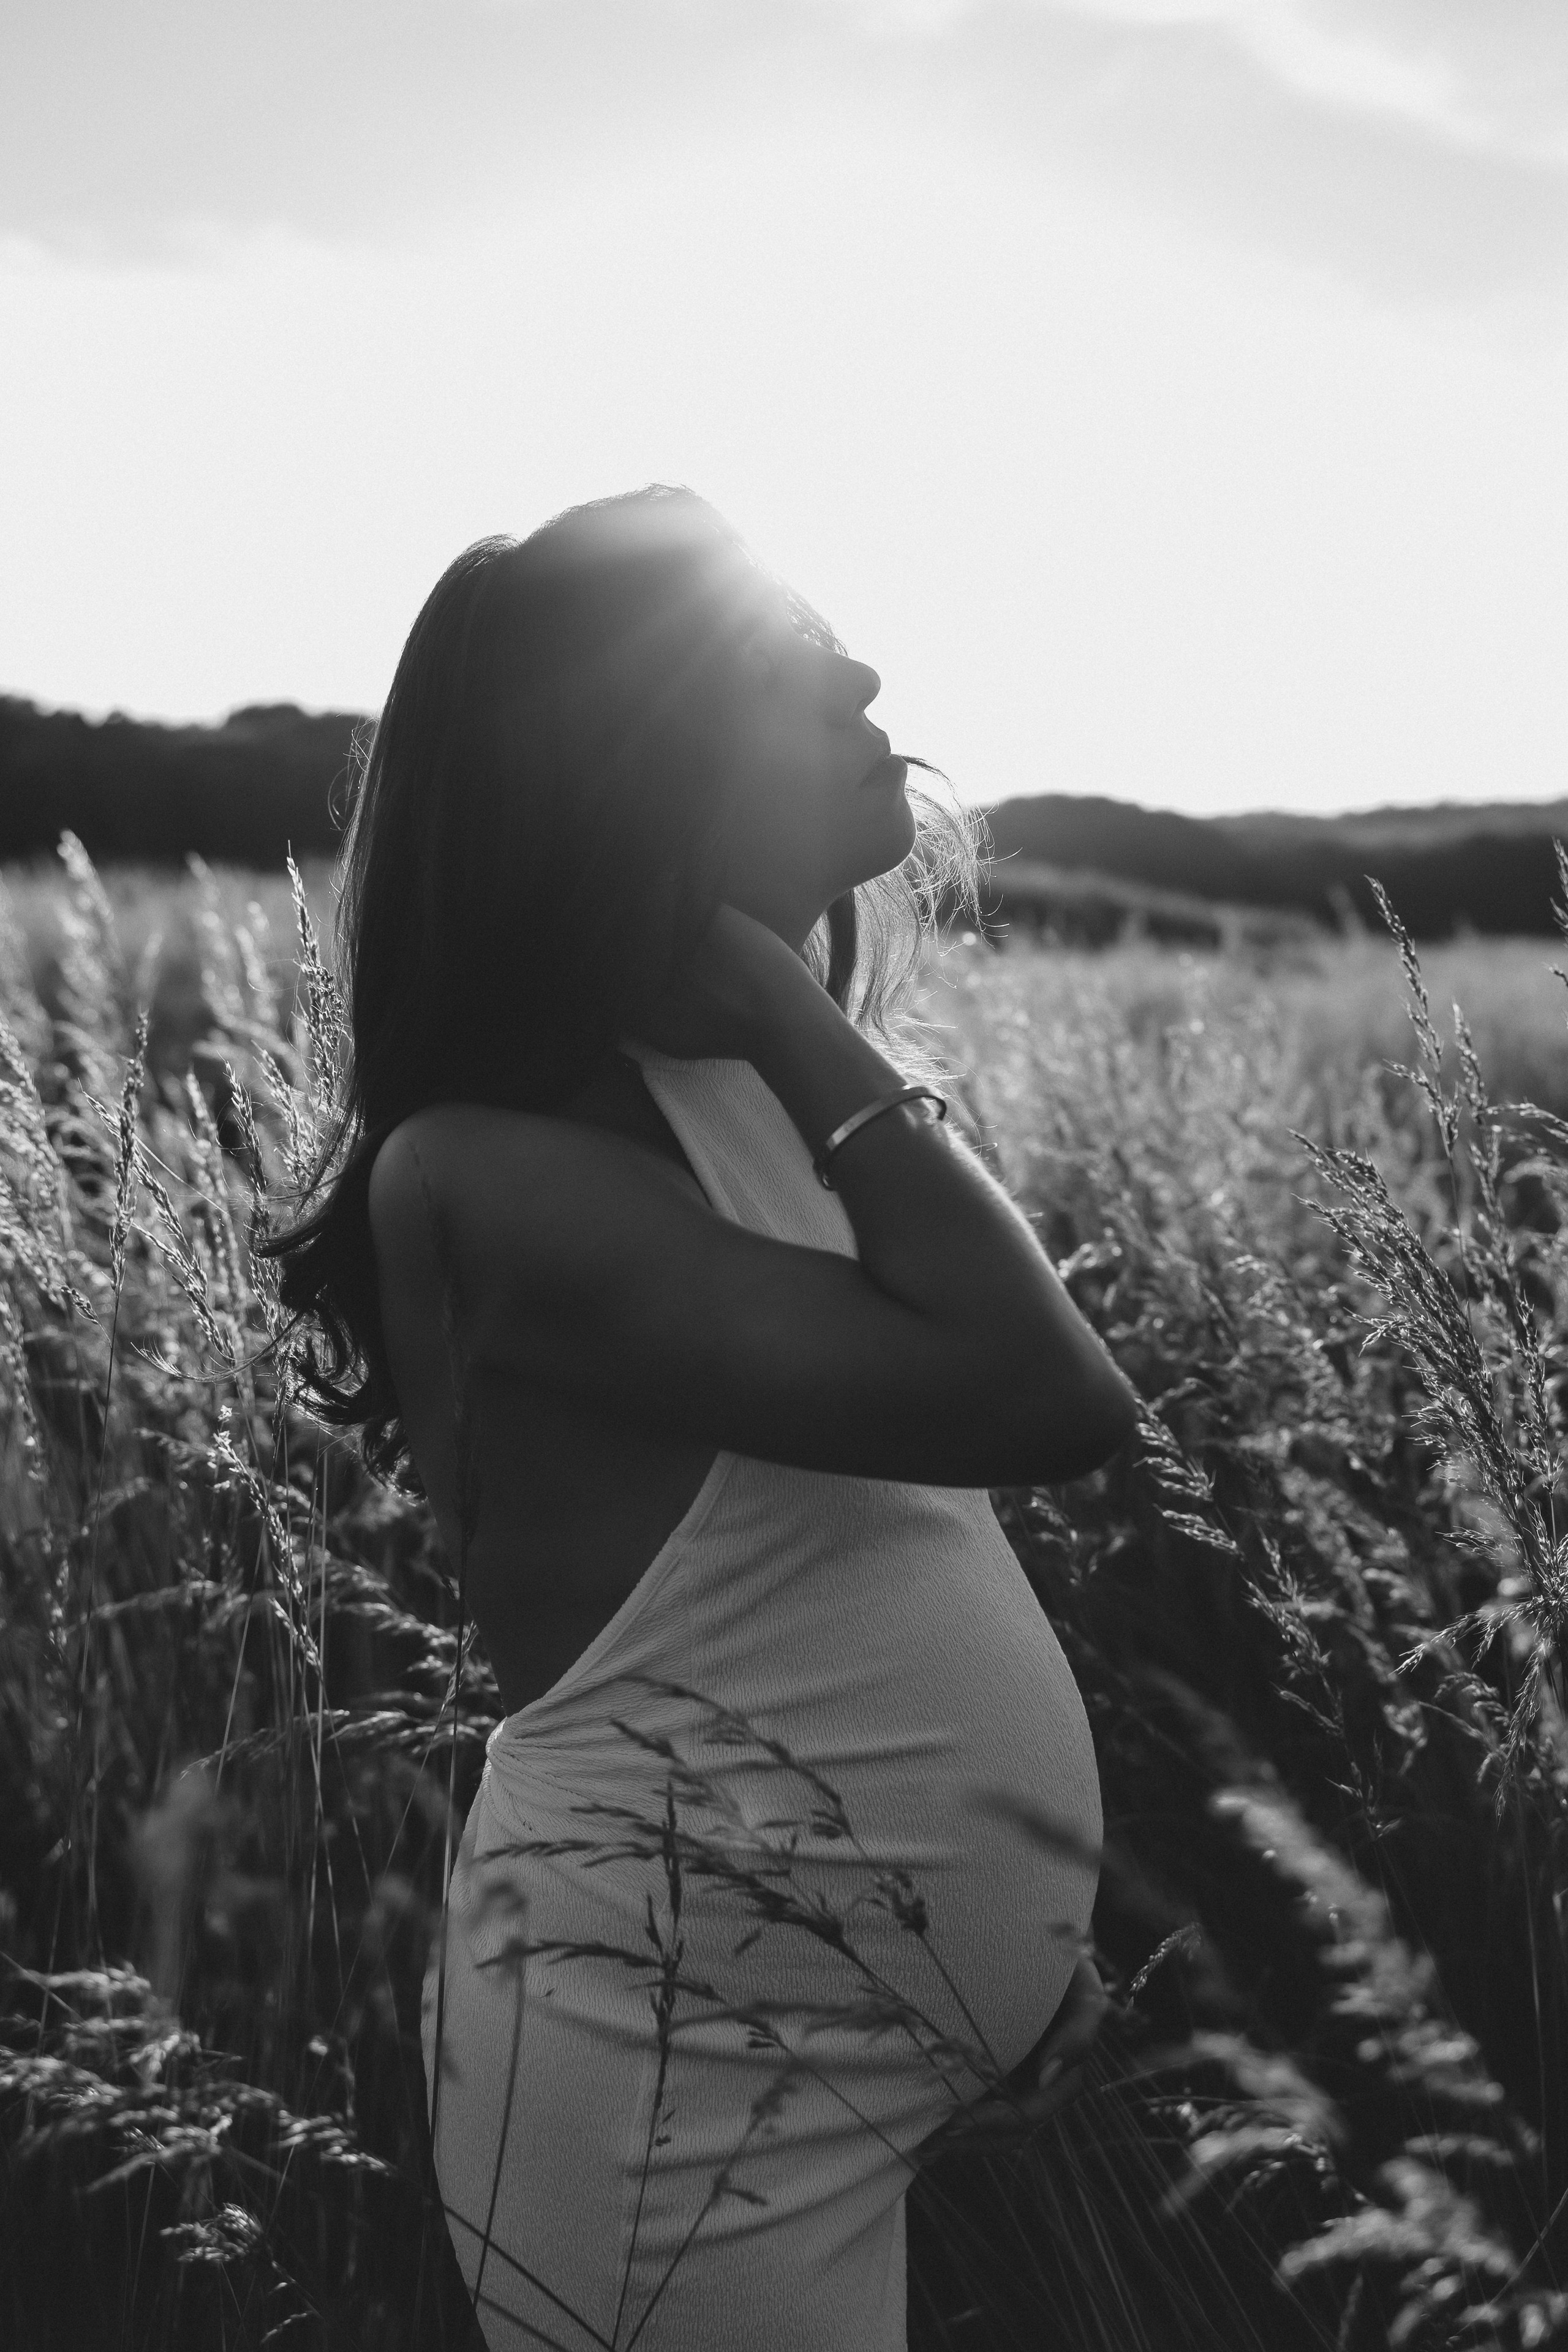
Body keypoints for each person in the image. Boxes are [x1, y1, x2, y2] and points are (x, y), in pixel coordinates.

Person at [266, 485, 1137, 2351]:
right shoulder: (487, 1176)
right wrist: (770, 987)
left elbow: (880, 1544)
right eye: (779, 660)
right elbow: (1044, 1394)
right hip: (658, 2086)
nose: (866, 673)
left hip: (801, 2043)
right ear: (622, 773)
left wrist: (990, 1935)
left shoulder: (717, 1099)